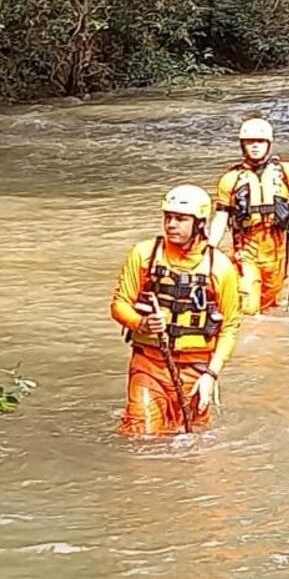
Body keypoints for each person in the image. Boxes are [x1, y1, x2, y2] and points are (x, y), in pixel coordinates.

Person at [110, 185, 242, 435]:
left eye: (180, 219)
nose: (171, 224)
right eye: (167, 217)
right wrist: (142, 324)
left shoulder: (220, 267)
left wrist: (211, 375)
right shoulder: (145, 255)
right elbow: (119, 305)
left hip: (197, 370)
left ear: (200, 224)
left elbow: (230, 327)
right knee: (141, 437)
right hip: (149, 364)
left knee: (191, 447)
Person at [207, 116, 289, 314]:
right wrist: (209, 250)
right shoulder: (231, 179)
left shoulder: (283, 171)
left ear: (269, 144)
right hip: (246, 252)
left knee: (270, 308)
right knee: (249, 308)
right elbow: (221, 218)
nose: (255, 146)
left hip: (277, 253)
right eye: (250, 142)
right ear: (243, 145)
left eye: (260, 142)